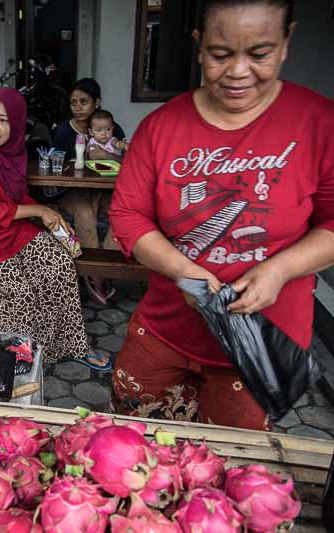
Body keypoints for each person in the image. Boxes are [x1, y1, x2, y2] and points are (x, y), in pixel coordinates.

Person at [108, 0, 334, 430]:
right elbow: (128, 215)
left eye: (260, 53)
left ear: (286, 43)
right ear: (198, 46)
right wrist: (184, 272)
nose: (238, 72)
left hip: (261, 345)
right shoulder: (160, 127)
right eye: (220, 53)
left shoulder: (320, 123)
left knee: (227, 469)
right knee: (133, 450)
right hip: (165, 330)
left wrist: (280, 270)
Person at [0, 88, 109, 370]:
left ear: (18, 125)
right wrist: (40, 210)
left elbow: (18, 196)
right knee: (21, 290)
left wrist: (53, 216)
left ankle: (72, 344)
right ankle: (29, 356)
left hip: (11, 227)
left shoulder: (13, 153)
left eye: (3, 120)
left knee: (59, 264)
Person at [52, 78, 127, 305]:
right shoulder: (65, 131)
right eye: (73, 102)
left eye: (83, 101)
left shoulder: (110, 127)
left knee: (121, 213)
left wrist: (107, 156)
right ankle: (94, 276)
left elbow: (126, 161)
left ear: (97, 102)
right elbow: (56, 165)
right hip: (74, 191)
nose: (77, 107)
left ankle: (106, 270)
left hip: (104, 190)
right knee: (85, 213)